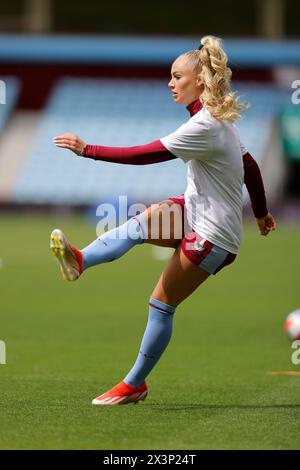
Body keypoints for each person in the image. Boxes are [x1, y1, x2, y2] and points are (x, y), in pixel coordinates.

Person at [51, 35, 276, 406]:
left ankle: (134, 384)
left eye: (177, 77)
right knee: (141, 221)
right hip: (194, 210)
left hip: (214, 235)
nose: (170, 83)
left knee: (161, 303)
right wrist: (262, 212)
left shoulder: (204, 126)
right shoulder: (217, 120)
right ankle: (81, 260)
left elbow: (146, 154)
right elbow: (249, 165)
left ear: (199, 81)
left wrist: (87, 149)